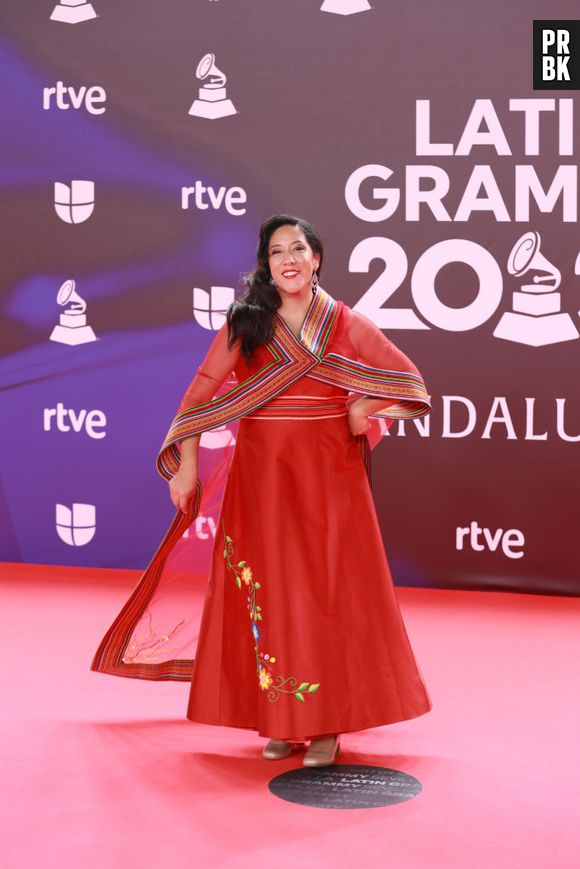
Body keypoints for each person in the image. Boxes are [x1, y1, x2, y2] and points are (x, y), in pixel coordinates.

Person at [91, 214, 432, 768]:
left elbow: (412, 387)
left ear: (317, 258)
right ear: (267, 265)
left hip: (330, 476)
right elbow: (201, 393)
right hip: (262, 477)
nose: (289, 260)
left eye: (298, 248)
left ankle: (325, 724)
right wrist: (187, 465)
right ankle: (279, 717)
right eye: (277, 252)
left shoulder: (346, 323)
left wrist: (362, 407)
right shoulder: (245, 323)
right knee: (268, 591)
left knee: (324, 593)